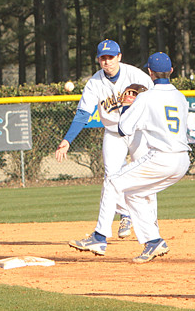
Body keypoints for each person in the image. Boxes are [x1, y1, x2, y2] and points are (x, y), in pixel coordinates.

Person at [69, 52, 190, 263]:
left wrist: (127, 105)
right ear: (171, 71)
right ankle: (153, 241)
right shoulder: (180, 97)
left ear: (150, 72)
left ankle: (99, 237)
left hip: (161, 158)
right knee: (134, 194)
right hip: (182, 160)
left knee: (112, 182)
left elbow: (123, 129)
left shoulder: (146, 97)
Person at [58, 39, 154, 242]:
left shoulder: (136, 75)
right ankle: (123, 216)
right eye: (103, 58)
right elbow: (83, 114)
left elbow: (155, 100)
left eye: (111, 57)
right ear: (98, 60)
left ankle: (151, 223)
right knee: (111, 177)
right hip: (113, 133)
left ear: (119, 57)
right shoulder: (95, 82)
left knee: (145, 176)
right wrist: (67, 140)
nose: (107, 61)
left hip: (138, 131)